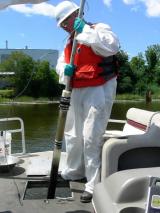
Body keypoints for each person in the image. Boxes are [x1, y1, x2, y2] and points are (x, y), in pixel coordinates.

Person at [54, 0, 120, 203]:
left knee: (91, 137)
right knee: (73, 135)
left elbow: (111, 46)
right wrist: (64, 71)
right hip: (75, 90)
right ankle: (74, 171)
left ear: (78, 13)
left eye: (67, 20)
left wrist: (86, 33)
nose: (66, 25)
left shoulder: (98, 29)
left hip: (98, 90)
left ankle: (92, 184)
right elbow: (61, 64)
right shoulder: (68, 43)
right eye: (62, 24)